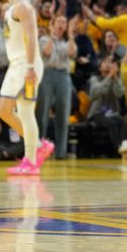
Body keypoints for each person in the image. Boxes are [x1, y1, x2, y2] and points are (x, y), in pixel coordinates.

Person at [0, 0, 54, 175]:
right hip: (16, 65)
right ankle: (38, 146)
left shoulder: (24, 7)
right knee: (4, 110)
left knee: (25, 112)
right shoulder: (12, 8)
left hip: (26, 66)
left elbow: (31, 37)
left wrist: (30, 68)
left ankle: (31, 160)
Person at [36, 15, 76, 159]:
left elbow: (72, 54)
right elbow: (46, 53)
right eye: (58, 21)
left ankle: (61, 152)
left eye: (64, 22)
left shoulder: (67, 42)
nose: (61, 24)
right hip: (47, 74)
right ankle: (39, 149)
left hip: (63, 75)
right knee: (42, 112)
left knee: (63, 114)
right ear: (52, 24)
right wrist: (52, 36)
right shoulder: (44, 39)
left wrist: (71, 36)